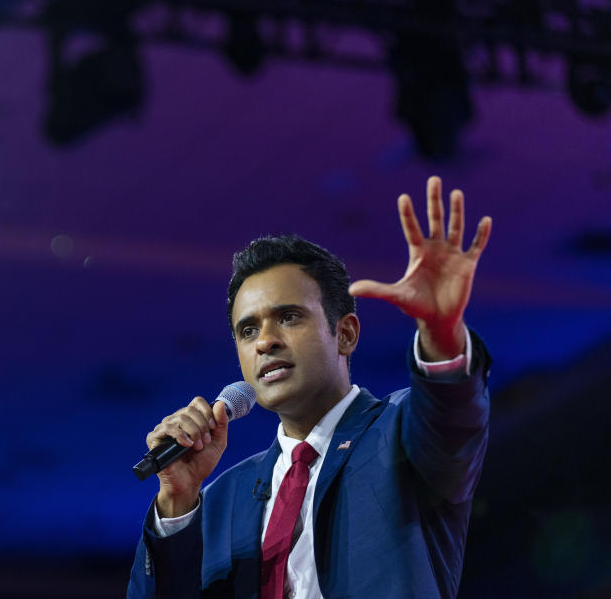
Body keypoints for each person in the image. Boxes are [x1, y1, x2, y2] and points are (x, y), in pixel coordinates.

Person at [127, 176, 493, 599]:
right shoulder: (218, 501)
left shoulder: (403, 435)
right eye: (248, 330)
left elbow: (452, 414)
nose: (265, 341)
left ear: (346, 334)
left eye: (288, 317)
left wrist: (441, 332)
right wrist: (177, 503)